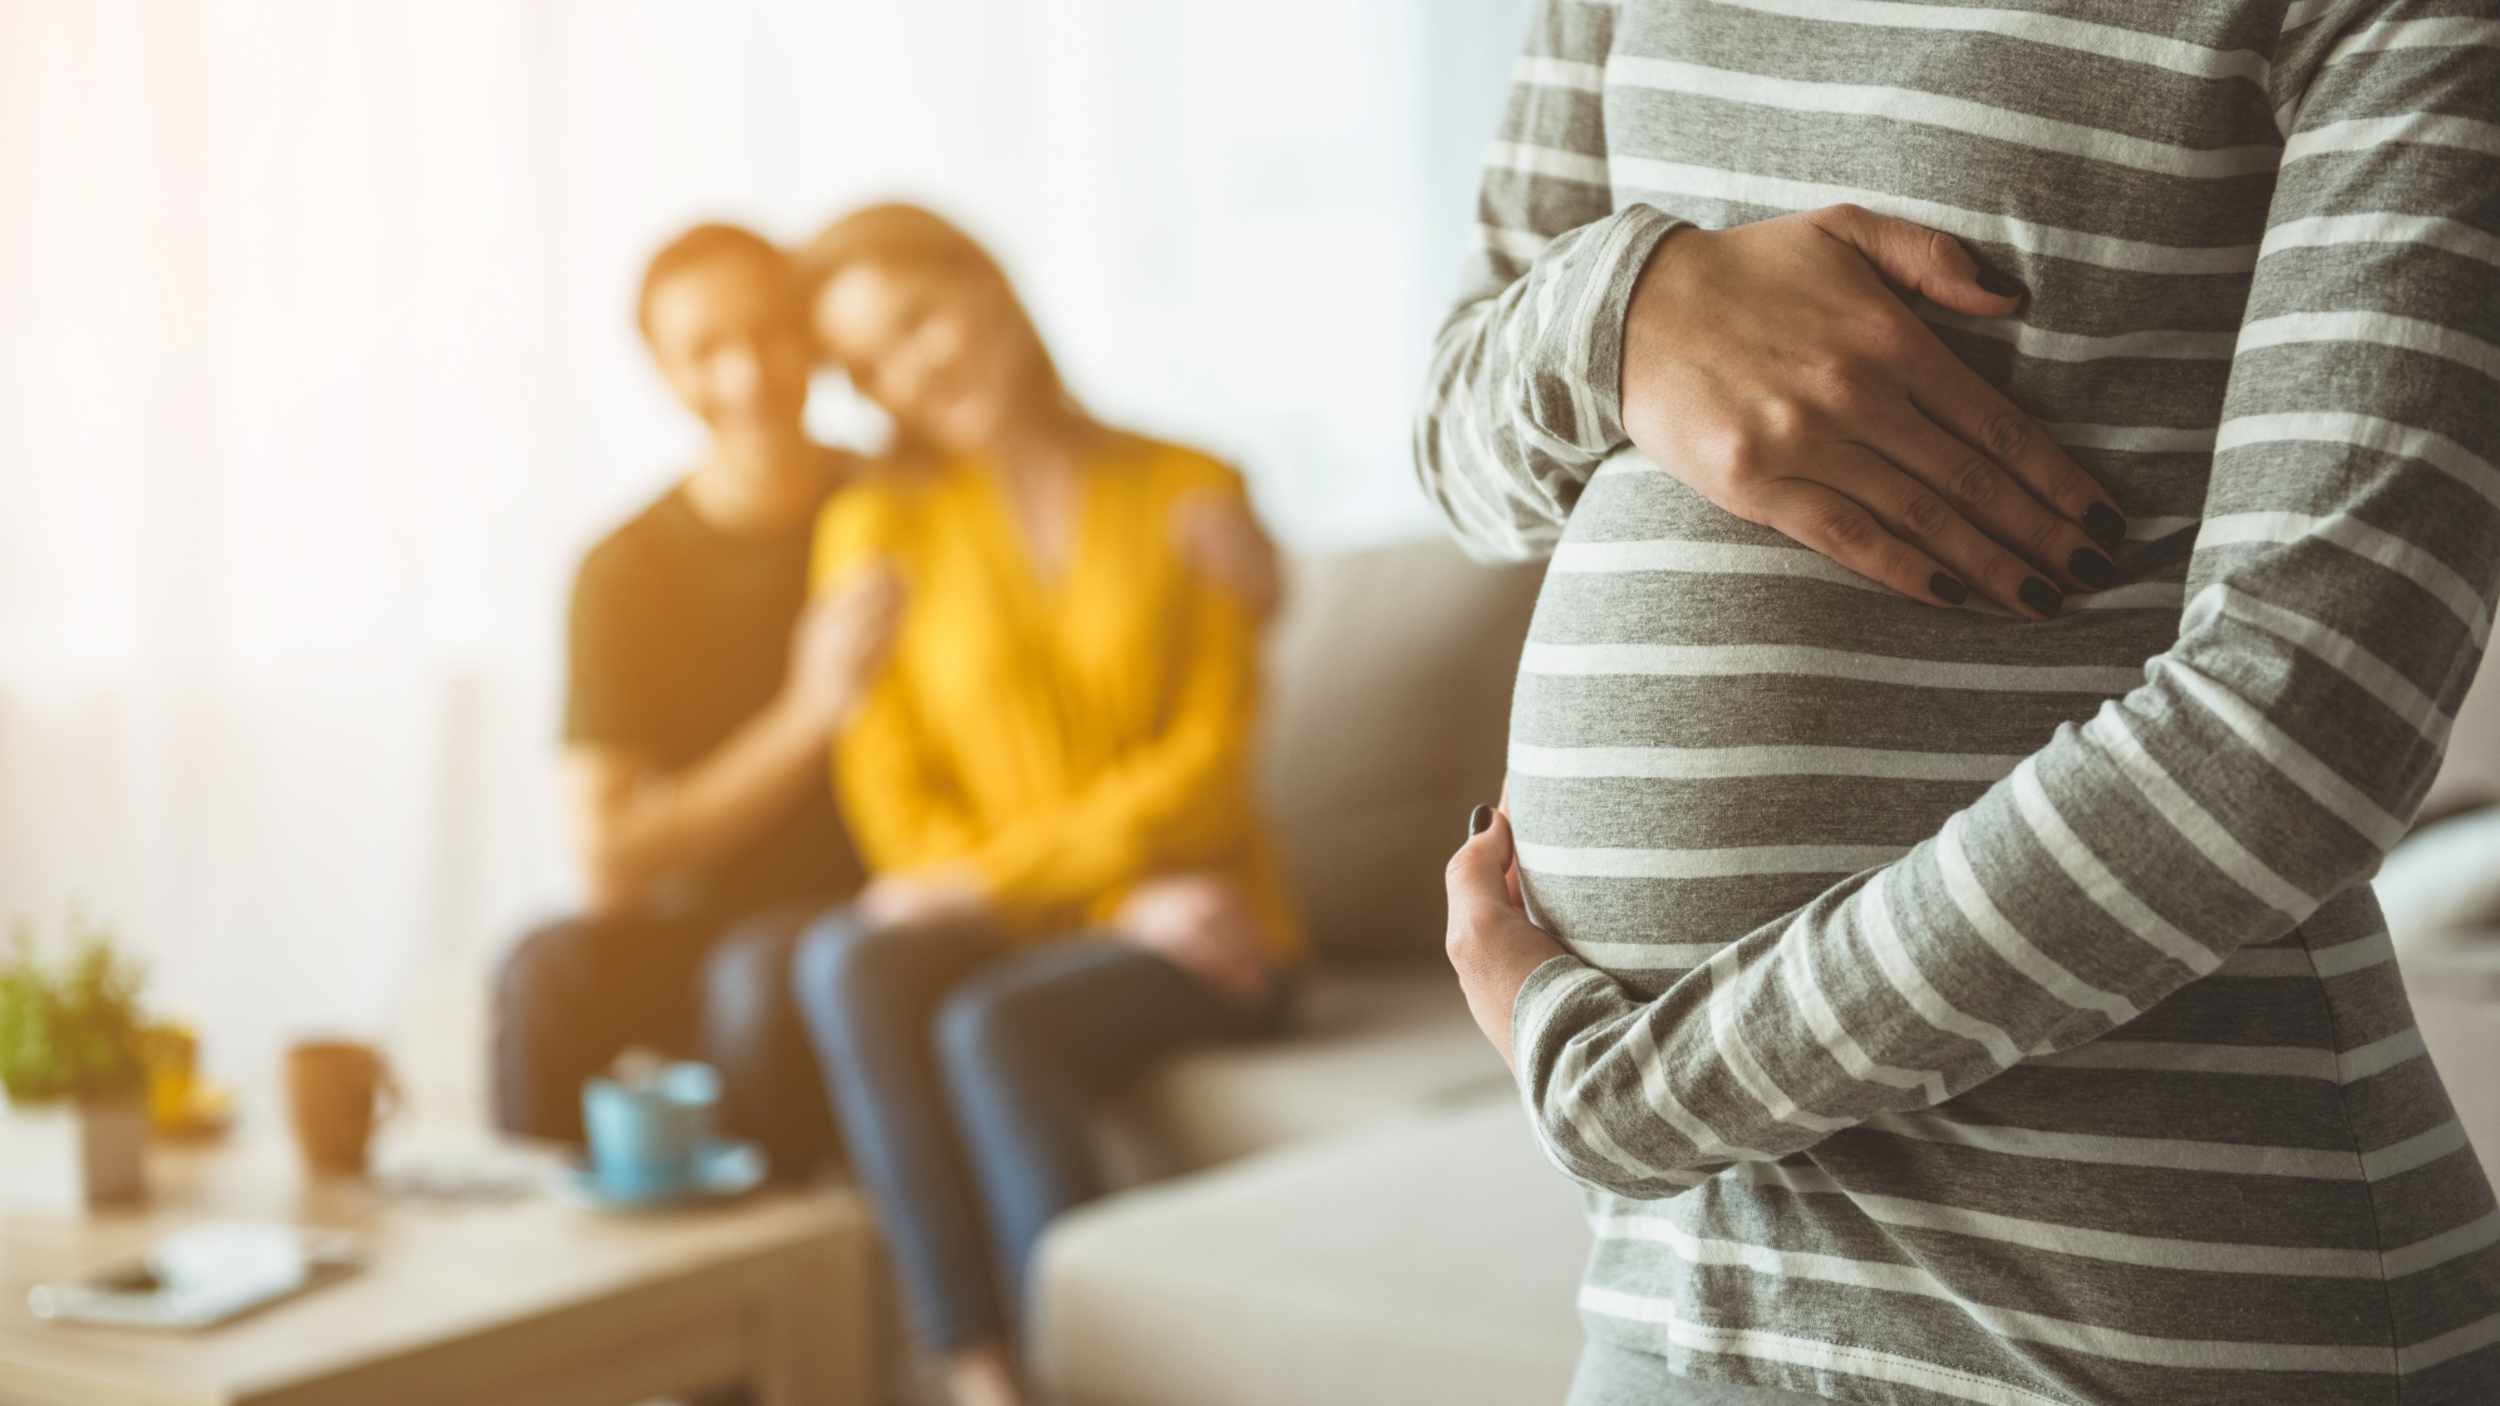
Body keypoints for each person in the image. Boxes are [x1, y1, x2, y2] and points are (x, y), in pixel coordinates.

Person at [1420, 4, 2500, 1405]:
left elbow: (2297, 725)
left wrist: (1648, 1095)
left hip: (2143, 1319)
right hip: (1681, 1290)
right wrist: (1628, 311)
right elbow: (1457, 443)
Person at [788, 203, 1304, 1406]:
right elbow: (896, 807)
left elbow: (1211, 766)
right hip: (1080, 916)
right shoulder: (874, 530)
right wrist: (1104, 890)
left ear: (988, 286)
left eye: (917, 319)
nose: (913, 370)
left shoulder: (1193, 489)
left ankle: (1083, 1369)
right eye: (870, 364)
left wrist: (1033, 887)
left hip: (1212, 926)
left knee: (991, 1028)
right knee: (851, 959)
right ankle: (980, 1369)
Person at [491, 223, 896, 1178]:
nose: (749, 376)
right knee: (542, 971)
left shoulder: (900, 509)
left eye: (771, 333)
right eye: (705, 351)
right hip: (698, 917)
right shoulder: (624, 570)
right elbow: (609, 860)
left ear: (817, 338)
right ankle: (536, 1268)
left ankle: (769, 1283)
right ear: (664, 375)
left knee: (754, 975)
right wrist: (810, 713)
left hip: (875, 900)